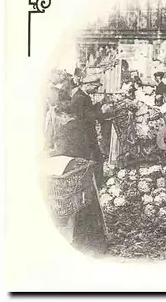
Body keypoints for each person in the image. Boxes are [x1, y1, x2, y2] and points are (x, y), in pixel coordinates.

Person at [51, 76, 107, 254]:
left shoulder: (69, 127)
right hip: (84, 161)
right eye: (95, 85)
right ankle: (90, 236)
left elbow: (64, 151)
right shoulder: (79, 110)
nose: (96, 88)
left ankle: (79, 237)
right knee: (87, 199)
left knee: (77, 200)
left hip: (77, 165)